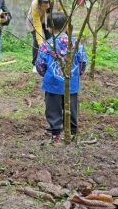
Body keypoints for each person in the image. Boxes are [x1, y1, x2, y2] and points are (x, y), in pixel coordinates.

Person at [35, 12, 88, 143]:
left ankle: (56, 134)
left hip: (52, 84)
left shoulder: (46, 46)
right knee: (72, 109)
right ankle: (72, 133)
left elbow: (40, 65)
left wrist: (46, 74)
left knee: (53, 109)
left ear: (48, 28)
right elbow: (83, 62)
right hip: (72, 83)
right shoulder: (76, 45)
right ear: (67, 27)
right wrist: (76, 75)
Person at [26, 0, 53, 72]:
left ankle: (50, 62)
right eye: (43, 6)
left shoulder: (54, 1)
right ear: (39, 4)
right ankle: (35, 64)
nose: (45, 7)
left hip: (47, 21)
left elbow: (60, 11)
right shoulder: (34, 5)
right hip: (35, 22)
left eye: (47, 5)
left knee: (50, 40)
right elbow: (37, 25)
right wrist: (40, 42)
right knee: (37, 41)